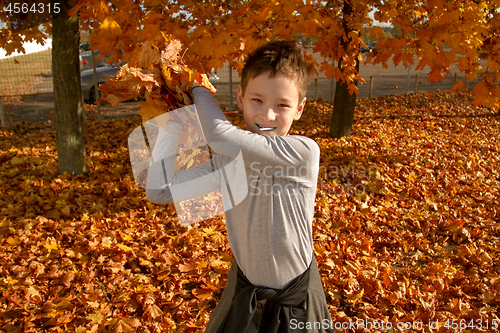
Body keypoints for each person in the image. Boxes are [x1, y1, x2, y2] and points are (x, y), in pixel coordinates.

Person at [146, 40, 333, 332]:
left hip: (296, 302)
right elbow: (159, 190)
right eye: (257, 100)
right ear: (240, 98)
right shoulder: (229, 163)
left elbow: (219, 133)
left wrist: (195, 88)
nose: (267, 115)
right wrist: (171, 121)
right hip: (245, 295)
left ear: (299, 109)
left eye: (282, 105)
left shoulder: (303, 153)